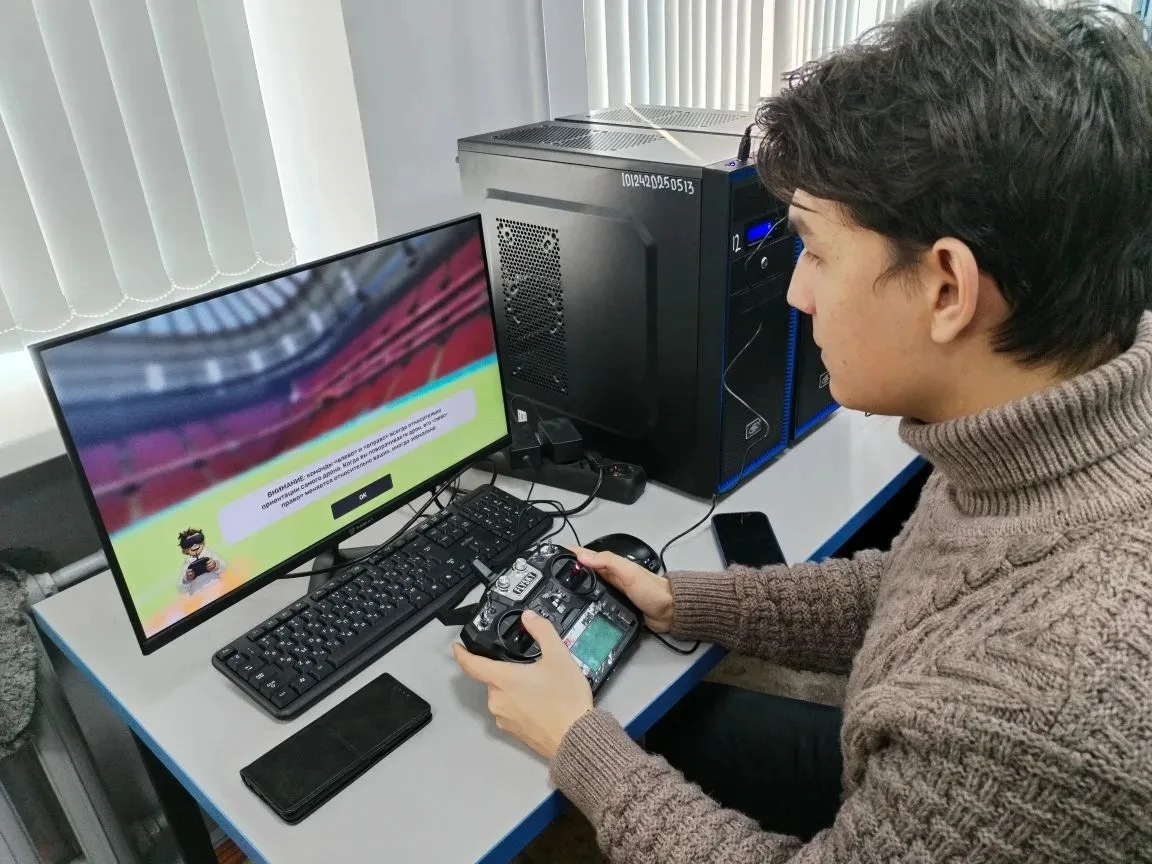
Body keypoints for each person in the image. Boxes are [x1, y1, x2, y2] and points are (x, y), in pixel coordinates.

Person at [453, 0, 1152, 859]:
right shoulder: (1053, 424)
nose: (794, 293)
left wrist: (578, 746)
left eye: (815, 251)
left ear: (948, 289)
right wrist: (684, 601)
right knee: (680, 722)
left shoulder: (1047, 706)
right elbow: (924, 587)